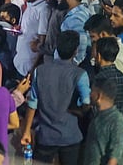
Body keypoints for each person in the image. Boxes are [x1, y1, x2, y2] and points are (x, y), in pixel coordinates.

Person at [19, 31, 90, 165]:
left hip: (46, 135)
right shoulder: (80, 74)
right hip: (71, 136)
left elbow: (32, 104)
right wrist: (76, 111)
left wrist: (26, 131)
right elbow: (86, 102)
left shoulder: (40, 71)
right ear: (75, 51)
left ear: (57, 48)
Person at [84, 74, 123, 165]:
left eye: (92, 90)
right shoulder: (97, 117)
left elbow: (114, 158)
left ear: (99, 95)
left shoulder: (117, 121)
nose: (89, 94)